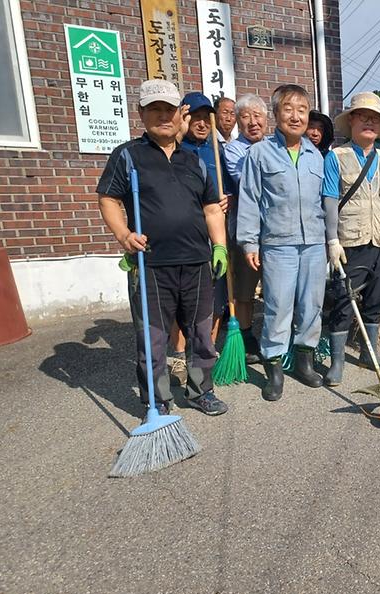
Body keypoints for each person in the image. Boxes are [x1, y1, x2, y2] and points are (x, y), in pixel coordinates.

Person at [97, 79, 228, 418]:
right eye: (154, 109)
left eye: (168, 109)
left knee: (201, 334)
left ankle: (201, 391)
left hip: (197, 263)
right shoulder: (128, 156)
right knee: (153, 340)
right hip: (151, 264)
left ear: (178, 114)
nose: (162, 116)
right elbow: (108, 198)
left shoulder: (194, 161)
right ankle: (158, 401)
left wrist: (220, 248)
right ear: (141, 113)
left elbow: (212, 208)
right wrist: (124, 235)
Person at [237, 84, 327, 401]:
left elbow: (323, 202)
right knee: (277, 306)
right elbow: (249, 199)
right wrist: (249, 243)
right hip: (278, 244)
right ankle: (274, 370)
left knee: (312, 305)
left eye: (302, 110)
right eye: (288, 109)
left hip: (314, 243)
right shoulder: (259, 153)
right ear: (275, 114)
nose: (295, 116)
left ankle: (304, 361)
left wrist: (331, 241)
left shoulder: (316, 156)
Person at [322, 91, 380, 386]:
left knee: (376, 299)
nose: (369, 123)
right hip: (350, 241)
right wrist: (332, 240)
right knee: (345, 300)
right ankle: (336, 362)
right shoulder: (337, 156)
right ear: (352, 122)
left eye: (375, 119)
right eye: (363, 117)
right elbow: (330, 200)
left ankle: (368, 354)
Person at [168, 91, 234, 386]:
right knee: (181, 299)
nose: (201, 123)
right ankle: (180, 355)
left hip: (213, 235)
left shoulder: (215, 152)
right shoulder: (172, 150)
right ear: (183, 117)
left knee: (216, 295)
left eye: (206, 117)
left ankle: (206, 350)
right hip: (182, 237)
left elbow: (228, 189)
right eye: (194, 116)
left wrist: (226, 201)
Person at [223, 94, 269, 364]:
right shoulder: (233, 151)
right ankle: (246, 334)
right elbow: (249, 184)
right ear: (237, 121)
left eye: (258, 116)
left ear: (266, 119)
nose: (253, 122)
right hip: (247, 231)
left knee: (276, 289)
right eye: (245, 117)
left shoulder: (277, 145)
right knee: (244, 290)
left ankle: (276, 337)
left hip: (276, 232)